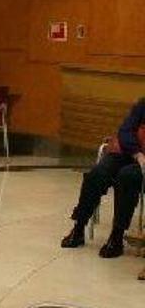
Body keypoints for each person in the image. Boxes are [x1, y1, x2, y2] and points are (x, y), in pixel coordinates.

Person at [61, 98, 145, 259]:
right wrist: (137, 153)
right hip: (130, 152)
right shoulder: (143, 104)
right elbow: (125, 131)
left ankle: (117, 235)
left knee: (126, 176)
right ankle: (78, 228)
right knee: (96, 175)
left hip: (138, 167)